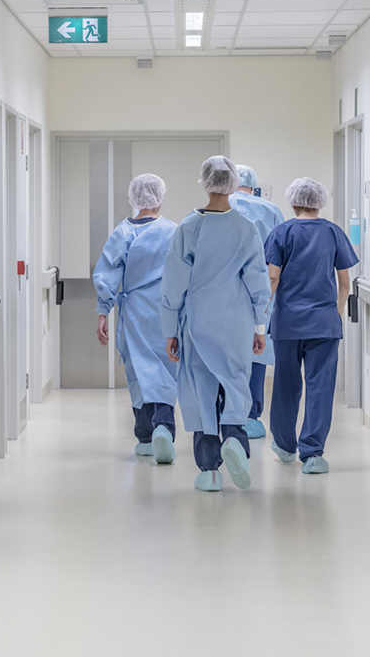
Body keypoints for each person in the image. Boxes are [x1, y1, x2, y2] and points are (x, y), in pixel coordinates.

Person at [161, 156, 271, 492]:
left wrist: (170, 330)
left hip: (197, 324)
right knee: (236, 383)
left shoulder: (187, 229)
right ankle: (235, 438)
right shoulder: (245, 228)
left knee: (200, 391)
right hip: (235, 323)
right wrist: (259, 327)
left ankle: (208, 470)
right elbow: (259, 283)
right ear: (234, 182)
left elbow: (173, 284)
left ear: (206, 183)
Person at [264, 177, 358, 474]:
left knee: (285, 385)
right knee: (320, 387)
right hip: (323, 324)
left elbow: (272, 279)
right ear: (320, 203)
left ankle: (284, 444)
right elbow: (345, 282)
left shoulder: (282, 232)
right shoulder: (333, 232)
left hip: (288, 322)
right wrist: (337, 313)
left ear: (293, 202)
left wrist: (261, 315)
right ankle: (313, 453)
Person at [94, 174, 180, 464]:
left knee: (139, 371)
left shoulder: (123, 232)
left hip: (133, 311)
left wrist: (103, 311)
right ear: (160, 197)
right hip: (167, 310)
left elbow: (107, 275)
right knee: (166, 369)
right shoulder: (173, 231)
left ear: (134, 198)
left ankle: (144, 436)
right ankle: (164, 428)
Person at [229, 164, 285, 440]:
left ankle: (225, 413)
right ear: (254, 185)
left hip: (222, 291)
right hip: (262, 290)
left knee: (223, 352)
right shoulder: (271, 211)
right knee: (257, 347)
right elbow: (281, 257)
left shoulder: (217, 207)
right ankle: (250, 417)